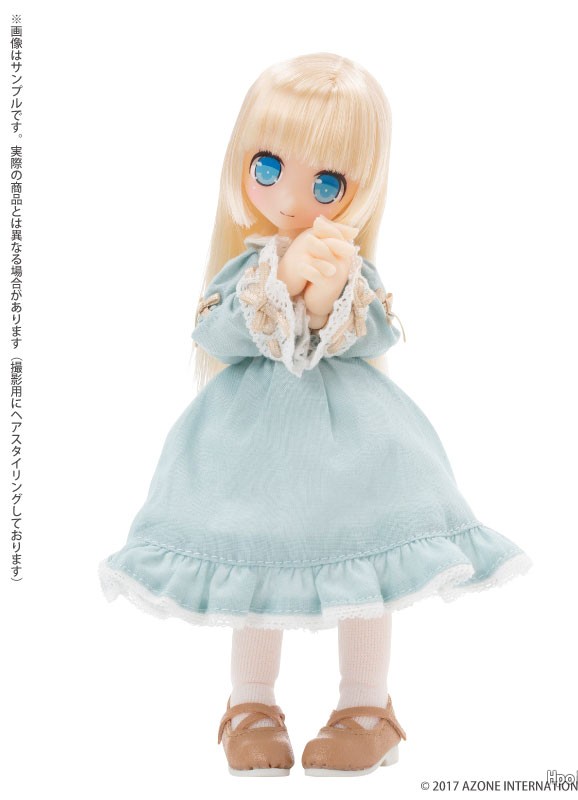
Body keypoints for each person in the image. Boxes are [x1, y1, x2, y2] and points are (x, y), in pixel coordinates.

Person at [99, 52, 532, 777]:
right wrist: (282, 282)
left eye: (326, 182)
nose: (291, 195)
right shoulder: (245, 269)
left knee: (366, 559)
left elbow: (377, 334)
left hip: (350, 442)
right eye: (267, 167)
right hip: (251, 442)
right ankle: (251, 703)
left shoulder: (352, 267)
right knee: (251, 560)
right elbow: (215, 332)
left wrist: (330, 295)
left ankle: (366, 705)